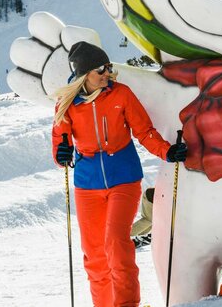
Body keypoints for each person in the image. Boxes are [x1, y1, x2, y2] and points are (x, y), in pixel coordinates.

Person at [52, 40, 188, 307]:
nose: (107, 73)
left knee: (116, 244)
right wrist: (62, 155)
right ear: (84, 74)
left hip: (123, 177)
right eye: (100, 69)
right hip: (87, 184)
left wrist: (167, 151)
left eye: (108, 67)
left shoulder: (120, 94)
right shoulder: (67, 104)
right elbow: (60, 142)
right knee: (94, 256)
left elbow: (144, 131)